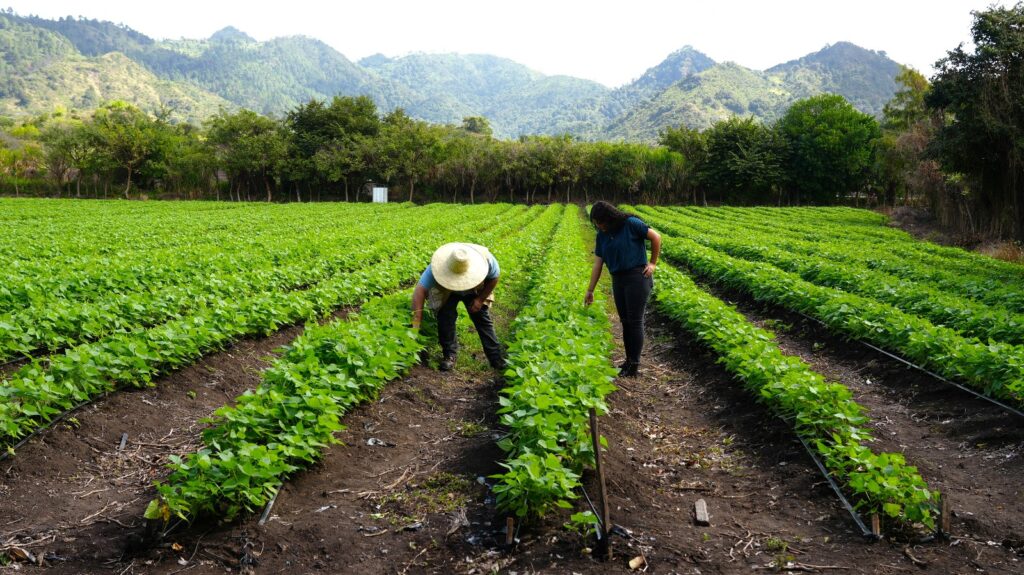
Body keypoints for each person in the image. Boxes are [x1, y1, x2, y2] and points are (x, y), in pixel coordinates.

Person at [584, 202, 662, 378]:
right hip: (618, 279)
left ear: (609, 218)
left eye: (600, 222)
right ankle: (628, 361)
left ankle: (634, 364)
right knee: (625, 321)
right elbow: (597, 264)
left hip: (637, 277)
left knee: (635, 321)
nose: (599, 226)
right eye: (596, 223)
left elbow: (656, 237)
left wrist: (652, 263)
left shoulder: (631, 224)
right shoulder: (602, 236)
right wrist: (590, 290)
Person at [412, 242, 505, 372]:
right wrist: (416, 324)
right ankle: (449, 355)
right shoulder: (436, 268)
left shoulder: (486, 260)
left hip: (475, 288)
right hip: (447, 290)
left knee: (481, 318)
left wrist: (480, 299)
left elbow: (494, 277)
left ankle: (496, 358)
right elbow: (419, 292)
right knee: (445, 317)